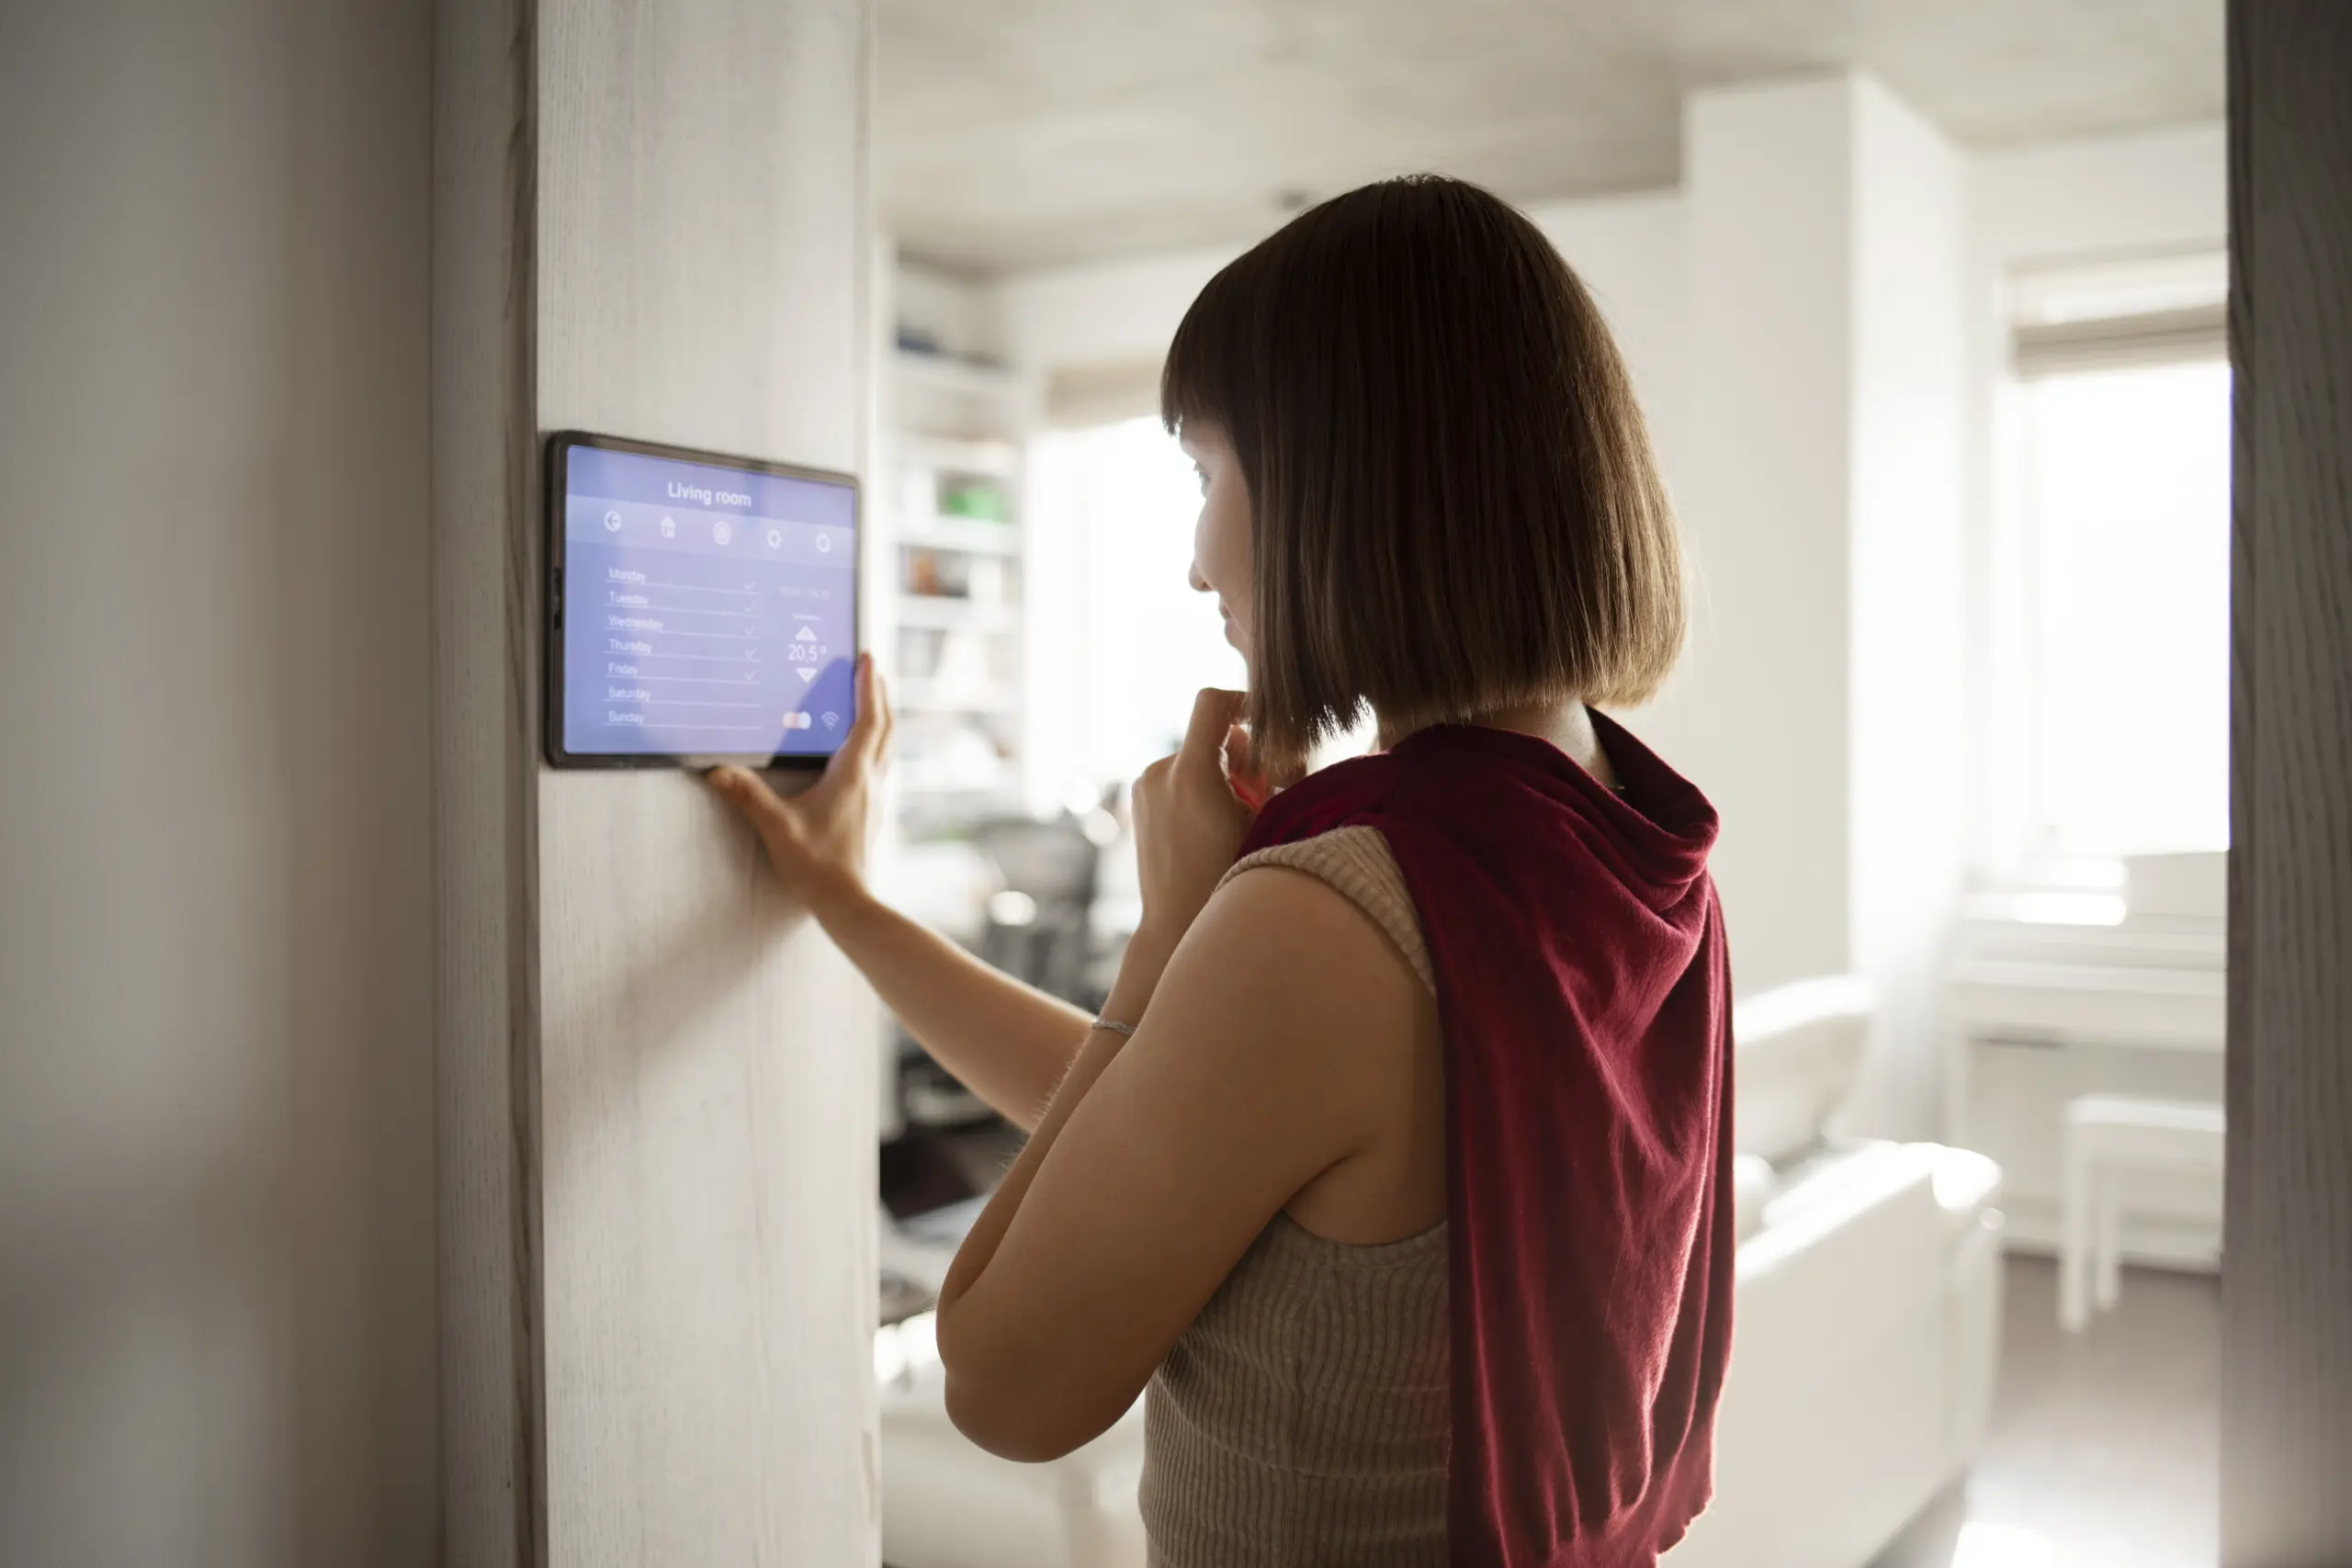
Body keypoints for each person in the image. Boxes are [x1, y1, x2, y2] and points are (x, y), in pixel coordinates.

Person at [710, 174, 1735, 1568]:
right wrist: (848, 903)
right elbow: (1172, 1118)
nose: (1199, 560)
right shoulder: (1617, 833)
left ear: (1353, 483)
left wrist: (1174, 929)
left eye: (1207, 475)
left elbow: (1000, 1380)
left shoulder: (1332, 918)